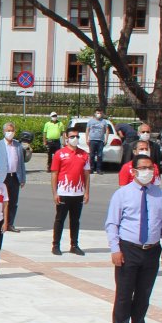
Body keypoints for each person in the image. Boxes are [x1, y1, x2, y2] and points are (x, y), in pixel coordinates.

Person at [106, 155, 162, 323]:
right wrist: (115, 249)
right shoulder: (122, 194)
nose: (147, 172)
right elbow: (112, 223)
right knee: (125, 292)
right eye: (143, 168)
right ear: (133, 171)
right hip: (129, 248)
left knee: (144, 293)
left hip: (151, 250)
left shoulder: (159, 194)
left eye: (150, 168)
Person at [50, 127, 90, 256]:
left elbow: (87, 175)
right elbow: (54, 174)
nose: (75, 139)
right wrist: (55, 193)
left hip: (78, 193)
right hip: (63, 192)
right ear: (66, 138)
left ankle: (74, 245)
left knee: (75, 220)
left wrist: (87, 192)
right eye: (72, 136)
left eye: (77, 136)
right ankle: (56, 245)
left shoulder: (84, 154)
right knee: (60, 219)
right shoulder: (59, 154)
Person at [0, 122, 25, 232]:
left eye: (12, 131)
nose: (10, 133)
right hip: (2, 177)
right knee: (2, 201)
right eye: (8, 130)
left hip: (14, 176)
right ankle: (0, 223)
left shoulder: (18, 145)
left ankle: (10, 224)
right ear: (4, 132)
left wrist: (22, 178)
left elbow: (22, 163)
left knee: (13, 201)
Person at [86, 108, 107, 174]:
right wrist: (87, 139)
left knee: (100, 155)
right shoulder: (90, 121)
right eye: (98, 113)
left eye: (100, 113)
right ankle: (91, 169)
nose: (99, 114)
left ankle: (98, 169)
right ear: (95, 113)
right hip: (92, 140)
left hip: (100, 141)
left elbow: (107, 130)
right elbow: (87, 130)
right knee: (92, 155)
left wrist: (106, 139)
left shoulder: (104, 121)